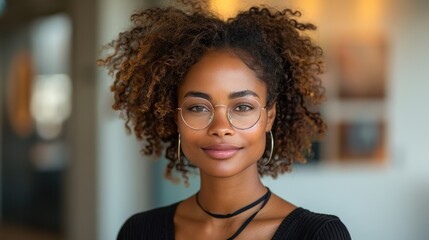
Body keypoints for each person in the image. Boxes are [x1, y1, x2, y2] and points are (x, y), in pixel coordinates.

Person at [98, 0, 351, 239]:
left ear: (269, 117)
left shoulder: (316, 235)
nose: (220, 128)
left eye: (242, 106)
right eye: (198, 108)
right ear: (176, 118)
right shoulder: (140, 232)